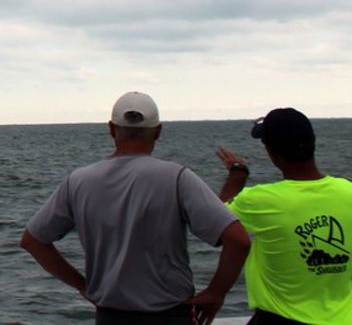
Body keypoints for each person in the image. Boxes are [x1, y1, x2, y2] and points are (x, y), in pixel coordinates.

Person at [20, 91, 250, 325]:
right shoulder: (177, 177)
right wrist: (215, 294)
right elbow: (239, 240)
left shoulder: (77, 181)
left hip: (110, 316)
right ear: (158, 131)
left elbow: (33, 241)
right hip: (171, 315)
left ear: (111, 129)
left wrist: (84, 286)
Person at [215, 108, 352, 324]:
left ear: (271, 152)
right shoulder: (348, 192)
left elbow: (216, 222)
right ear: (313, 142)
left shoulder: (260, 199)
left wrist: (237, 174)